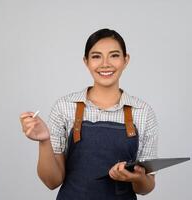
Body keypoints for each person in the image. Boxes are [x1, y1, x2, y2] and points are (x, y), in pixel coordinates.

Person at [19, 28, 159, 200]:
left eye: (114, 55)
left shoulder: (143, 112)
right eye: (96, 56)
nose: (105, 64)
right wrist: (44, 141)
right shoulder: (64, 107)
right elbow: (52, 182)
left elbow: (146, 187)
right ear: (86, 61)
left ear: (125, 60)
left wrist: (137, 178)